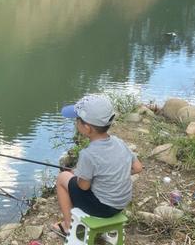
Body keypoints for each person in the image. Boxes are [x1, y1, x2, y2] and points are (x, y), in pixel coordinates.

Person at [52, 94, 143, 236]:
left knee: (63, 177)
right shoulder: (119, 142)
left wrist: (78, 175)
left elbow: (84, 186)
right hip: (120, 204)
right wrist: (113, 173)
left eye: (77, 120)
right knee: (73, 176)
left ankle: (68, 226)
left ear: (87, 128)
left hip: (102, 208)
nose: (76, 122)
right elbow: (138, 167)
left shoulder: (88, 154)